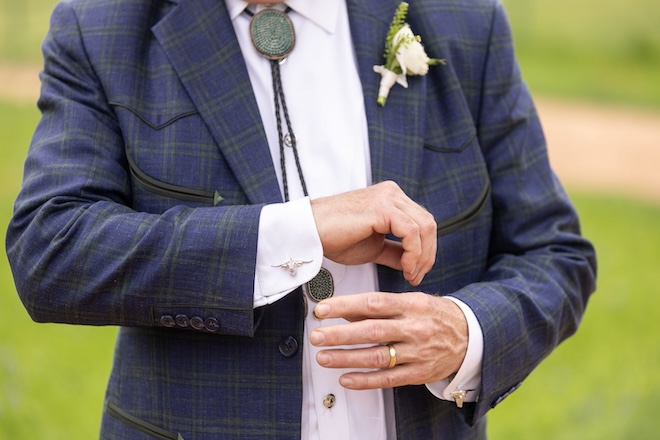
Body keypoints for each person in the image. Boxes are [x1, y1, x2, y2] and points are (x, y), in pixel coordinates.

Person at [5, 0, 596, 438]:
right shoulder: (101, 27)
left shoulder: (466, 23)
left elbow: (554, 254)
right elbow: (51, 249)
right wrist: (296, 232)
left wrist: (467, 334)